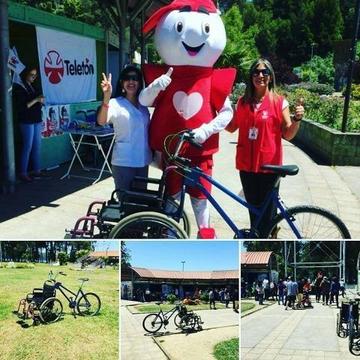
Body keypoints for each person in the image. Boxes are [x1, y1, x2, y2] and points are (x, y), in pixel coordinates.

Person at [226, 58, 304, 237]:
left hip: (269, 167)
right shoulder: (242, 102)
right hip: (246, 166)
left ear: (270, 77)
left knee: (267, 214)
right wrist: (218, 109)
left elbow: (288, 133)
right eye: (256, 72)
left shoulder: (279, 102)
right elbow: (231, 127)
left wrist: (297, 120)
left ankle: (267, 238)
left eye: (264, 72)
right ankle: (259, 237)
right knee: (253, 210)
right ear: (251, 76)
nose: (260, 75)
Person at [97, 65, 152, 193]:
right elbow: (101, 121)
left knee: (140, 201)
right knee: (125, 203)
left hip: (143, 160)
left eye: (135, 78)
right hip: (124, 161)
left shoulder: (143, 105)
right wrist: (106, 96)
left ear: (140, 83)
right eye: (127, 78)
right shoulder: (115, 103)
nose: (131, 82)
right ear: (122, 82)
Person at [13, 66, 46, 182]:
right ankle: (23, 172)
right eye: (32, 75)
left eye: (35, 75)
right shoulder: (19, 87)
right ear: (25, 74)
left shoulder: (33, 86)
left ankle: (36, 171)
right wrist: (36, 100)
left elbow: (38, 99)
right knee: (27, 146)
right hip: (26, 121)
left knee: (37, 146)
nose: (34, 77)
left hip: (36, 119)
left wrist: (41, 100)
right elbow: (23, 106)